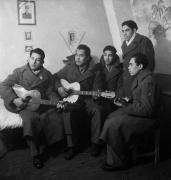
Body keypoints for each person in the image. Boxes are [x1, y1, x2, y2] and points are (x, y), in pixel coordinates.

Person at [0, 48, 64, 169]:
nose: (34, 62)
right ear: (28, 58)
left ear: (42, 62)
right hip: (25, 105)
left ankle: (53, 145)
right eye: (32, 58)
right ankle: (36, 155)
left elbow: (50, 92)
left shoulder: (47, 74)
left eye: (38, 60)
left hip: (41, 103)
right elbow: (3, 85)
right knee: (29, 120)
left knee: (54, 116)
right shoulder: (19, 72)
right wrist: (14, 99)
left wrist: (57, 102)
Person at [100, 53, 160, 171]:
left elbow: (148, 109)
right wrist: (128, 101)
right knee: (111, 116)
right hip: (141, 114)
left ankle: (119, 161)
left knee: (114, 123)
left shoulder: (148, 81)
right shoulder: (140, 77)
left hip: (148, 119)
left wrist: (125, 106)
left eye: (131, 64)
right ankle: (116, 153)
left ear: (140, 66)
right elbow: (140, 100)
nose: (128, 67)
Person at [53, 44, 104, 159]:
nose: (77, 58)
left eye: (81, 56)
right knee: (66, 110)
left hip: (87, 99)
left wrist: (97, 94)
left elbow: (97, 88)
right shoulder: (69, 67)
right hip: (72, 100)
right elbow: (55, 77)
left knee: (98, 110)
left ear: (87, 58)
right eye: (76, 55)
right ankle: (71, 146)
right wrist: (59, 88)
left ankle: (96, 143)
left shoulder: (95, 70)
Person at [119, 20, 155, 98]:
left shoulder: (144, 41)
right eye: (123, 31)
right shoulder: (124, 43)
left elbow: (149, 65)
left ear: (134, 30)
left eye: (127, 30)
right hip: (128, 79)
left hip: (138, 81)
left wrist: (141, 82)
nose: (124, 33)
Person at [98, 45, 122, 114]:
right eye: (105, 55)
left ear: (114, 56)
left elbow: (120, 86)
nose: (107, 58)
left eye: (110, 55)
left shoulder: (120, 69)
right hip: (102, 98)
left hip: (115, 98)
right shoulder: (98, 68)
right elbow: (96, 85)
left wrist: (117, 96)